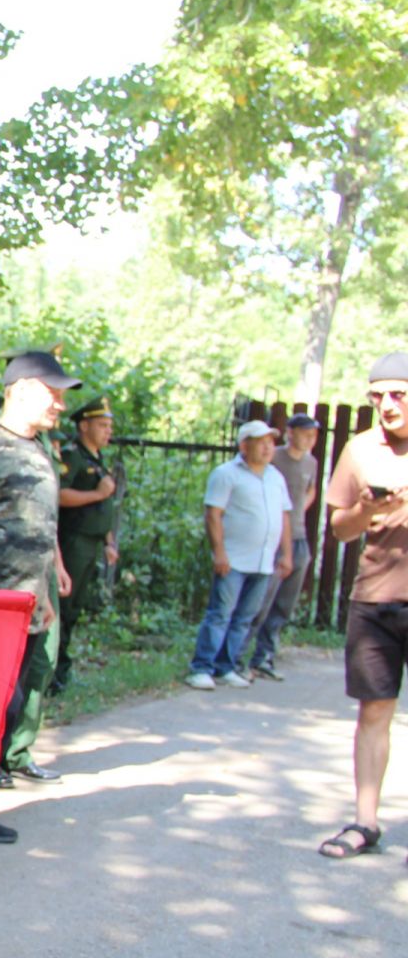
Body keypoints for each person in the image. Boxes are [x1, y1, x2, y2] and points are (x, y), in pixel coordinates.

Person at [0, 351, 82, 832]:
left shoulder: (38, 448)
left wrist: (48, 587)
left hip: (26, 606)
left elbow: (41, 525)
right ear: (22, 390)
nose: (59, 406)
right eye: (53, 394)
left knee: (4, 711)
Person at [316, 355, 408, 861]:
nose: (386, 405)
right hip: (376, 598)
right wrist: (369, 508)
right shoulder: (359, 449)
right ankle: (365, 823)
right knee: (374, 710)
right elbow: (340, 529)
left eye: (397, 394)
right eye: (377, 396)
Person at [185, 420, 294, 691]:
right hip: (233, 559)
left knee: (245, 617)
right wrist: (219, 552)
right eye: (261, 441)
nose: (268, 447)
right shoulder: (226, 474)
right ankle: (201, 667)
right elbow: (213, 515)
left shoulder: (275, 476)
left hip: (264, 560)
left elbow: (284, 517)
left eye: (271, 441)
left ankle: (226, 666)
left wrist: (287, 553)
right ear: (244, 445)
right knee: (220, 613)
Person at [53, 397, 123, 692]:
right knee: (65, 607)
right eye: (102, 425)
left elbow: (105, 508)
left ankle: (62, 670)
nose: (108, 431)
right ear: (84, 426)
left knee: (75, 608)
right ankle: (54, 674)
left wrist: (109, 542)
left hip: (92, 542)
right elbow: (60, 495)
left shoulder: (96, 458)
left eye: (109, 426)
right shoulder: (74, 456)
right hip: (73, 542)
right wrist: (97, 494)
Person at [247, 414, 321, 679]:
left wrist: (298, 509)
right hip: (275, 539)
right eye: (305, 432)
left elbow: (309, 490)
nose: (311, 438)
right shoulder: (275, 457)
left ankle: (265, 656)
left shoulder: (311, 462)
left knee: (285, 602)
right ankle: (239, 657)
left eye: (313, 434)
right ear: (291, 432)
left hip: (299, 536)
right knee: (262, 599)